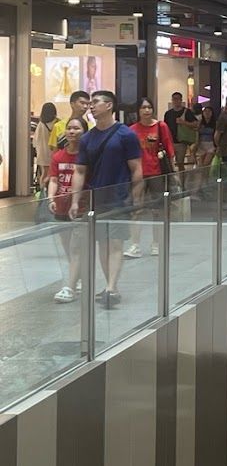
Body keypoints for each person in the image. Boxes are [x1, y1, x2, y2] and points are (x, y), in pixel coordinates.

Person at [68, 91, 143, 309]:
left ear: (109, 105)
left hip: (119, 197)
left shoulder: (125, 135)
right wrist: (75, 201)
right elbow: (80, 171)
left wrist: (136, 197)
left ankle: (111, 286)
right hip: (96, 198)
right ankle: (111, 286)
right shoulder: (87, 138)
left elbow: (136, 168)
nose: (90, 107)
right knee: (103, 242)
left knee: (116, 242)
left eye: (95, 103)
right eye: (89, 103)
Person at [125, 96, 176, 259]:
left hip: (157, 173)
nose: (146, 110)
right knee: (136, 209)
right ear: (138, 110)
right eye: (143, 107)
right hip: (138, 175)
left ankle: (156, 243)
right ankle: (135, 244)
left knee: (158, 210)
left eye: (149, 107)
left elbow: (170, 151)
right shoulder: (132, 130)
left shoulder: (161, 127)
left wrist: (173, 173)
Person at [48, 116, 87, 303]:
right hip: (61, 208)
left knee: (76, 247)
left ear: (84, 131)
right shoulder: (58, 156)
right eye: (69, 128)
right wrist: (51, 199)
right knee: (68, 248)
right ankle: (77, 277)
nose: (72, 131)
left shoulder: (87, 156)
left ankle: (69, 286)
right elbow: (54, 179)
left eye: (77, 128)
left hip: (81, 208)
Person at [163, 92, 197, 184]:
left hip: (181, 142)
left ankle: (182, 183)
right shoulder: (168, 114)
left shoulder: (187, 112)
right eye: (174, 99)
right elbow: (165, 127)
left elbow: (195, 124)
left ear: (181, 100)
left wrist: (184, 122)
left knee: (180, 163)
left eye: (178, 99)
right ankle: (172, 183)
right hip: (169, 142)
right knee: (169, 163)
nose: (176, 101)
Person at [34, 102, 59, 191]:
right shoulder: (57, 122)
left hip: (42, 152)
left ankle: (42, 191)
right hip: (53, 152)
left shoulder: (41, 123)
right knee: (53, 173)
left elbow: (36, 140)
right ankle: (50, 191)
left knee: (44, 173)